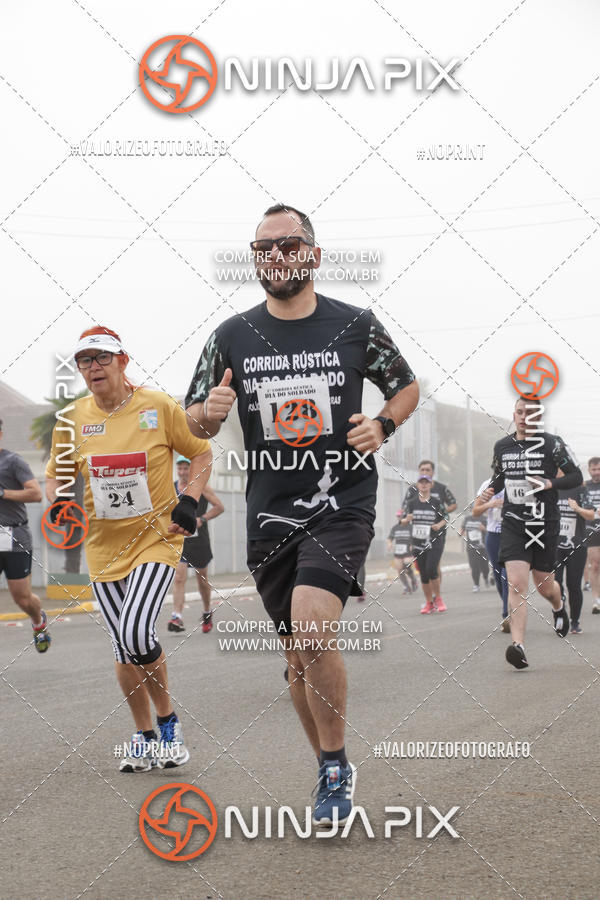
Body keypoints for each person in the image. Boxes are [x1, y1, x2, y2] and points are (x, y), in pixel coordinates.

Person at [184, 203, 419, 825]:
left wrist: (382, 423)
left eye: (287, 245)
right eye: (262, 249)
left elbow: (406, 385)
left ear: (312, 254)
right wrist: (208, 413)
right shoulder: (231, 335)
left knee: (314, 630)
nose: (274, 257)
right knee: (296, 656)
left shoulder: (355, 325)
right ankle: (328, 769)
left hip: (342, 499)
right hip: (270, 511)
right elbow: (192, 417)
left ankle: (337, 763)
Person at [45, 326, 212, 772]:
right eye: (85, 360)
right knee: (123, 647)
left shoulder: (157, 406)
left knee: (136, 632)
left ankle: (169, 724)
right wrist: (59, 500)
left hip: (157, 539)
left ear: (122, 361)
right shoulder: (72, 419)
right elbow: (55, 477)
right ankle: (143, 736)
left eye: (102, 358)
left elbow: (201, 453)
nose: (93, 367)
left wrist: (189, 502)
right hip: (103, 550)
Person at [480, 395, 582, 669]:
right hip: (513, 522)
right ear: (513, 415)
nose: (524, 417)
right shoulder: (503, 446)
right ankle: (519, 646)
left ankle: (559, 607)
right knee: (516, 582)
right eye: (520, 412)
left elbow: (575, 477)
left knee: (544, 585)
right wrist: (492, 488)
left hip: (544, 523)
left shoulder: (552, 444)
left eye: (530, 413)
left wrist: (549, 482)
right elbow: (500, 477)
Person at [0, 419, 49, 651]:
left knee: (22, 598)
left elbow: (36, 494)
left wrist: (3, 493)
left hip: (15, 536)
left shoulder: (13, 461)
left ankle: (38, 621)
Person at [169, 455, 224, 634]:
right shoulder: (172, 487)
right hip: (180, 540)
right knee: (179, 576)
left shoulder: (201, 487)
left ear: (191, 469)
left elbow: (219, 507)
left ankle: (207, 611)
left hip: (199, 541)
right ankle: (177, 616)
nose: (183, 472)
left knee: (202, 580)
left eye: (186, 468)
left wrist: (202, 518)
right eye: (180, 469)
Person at [404, 460, 456, 607]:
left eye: (428, 470)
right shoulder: (412, 490)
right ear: (418, 472)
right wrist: (406, 519)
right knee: (424, 569)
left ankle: (436, 597)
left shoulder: (441, 488)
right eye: (422, 470)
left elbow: (452, 505)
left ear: (433, 472)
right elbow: (404, 511)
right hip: (418, 537)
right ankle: (430, 598)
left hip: (436, 534)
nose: (425, 473)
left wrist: (436, 515)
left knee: (433, 566)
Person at [555, 481, 595, 634]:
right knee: (556, 584)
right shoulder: (552, 488)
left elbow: (591, 514)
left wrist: (577, 508)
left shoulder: (580, 489)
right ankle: (559, 616)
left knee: (574, 585)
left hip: (576, 546)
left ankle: (575, 621)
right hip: (554, 547)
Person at [403, 475, 447, 613]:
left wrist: (438, 525)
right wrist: (406, 519)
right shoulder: (411, 503)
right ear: (417, 485)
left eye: (426, 482)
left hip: (434, 541)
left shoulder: (436, 501)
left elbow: (446, 517)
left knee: (431, 569)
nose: (423, 485)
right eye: (421, 482)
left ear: (430, 485)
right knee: (423, 574)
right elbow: (404, 521)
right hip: (418, 542)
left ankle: (438, 598)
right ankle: (429, 603)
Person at [473, 477, 509, 630]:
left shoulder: (518, 481)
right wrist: (491, 504)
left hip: (513, 535)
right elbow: (475, 511)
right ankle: (509, 606)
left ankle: (507, 614)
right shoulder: (487, 484)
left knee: (508, 575)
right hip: (493, 535)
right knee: (498, 575)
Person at [583, 457, 600, 614]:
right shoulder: (584, 486)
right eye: (594, 469)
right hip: (591, 528)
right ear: (589, 470)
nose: (597, 472)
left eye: (599, 469)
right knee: (594, 565)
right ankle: (596, 600)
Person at [459, 506, 490, 592]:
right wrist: (461, 532)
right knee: (474, 567)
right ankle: (476, 584)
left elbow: (490, 532)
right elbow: (462, 527)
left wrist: (484, 529)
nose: (473, 511)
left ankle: (486, 577)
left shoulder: (484, 519)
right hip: (471, 548)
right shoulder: (467, 518)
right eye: (471, 510)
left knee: (484, 567)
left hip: (483, 548)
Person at [387, 509, 417, 594]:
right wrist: (389, 544)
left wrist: (413, 544)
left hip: (408, 552)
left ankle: (414, 580)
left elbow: (416, 538)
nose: (398, 518)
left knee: (407, 566)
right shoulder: (395, 528)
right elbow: (390, 538)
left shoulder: (411, 527)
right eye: (398, 516)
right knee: (400, 570)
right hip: (398, 552)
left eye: (400, 516)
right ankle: (407, 587)